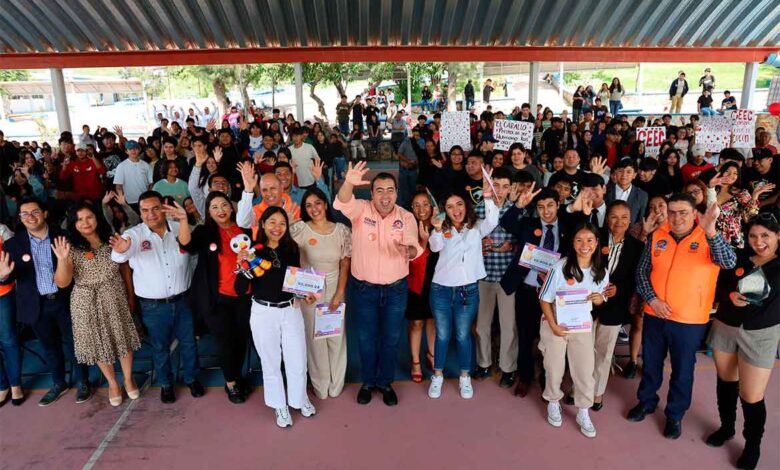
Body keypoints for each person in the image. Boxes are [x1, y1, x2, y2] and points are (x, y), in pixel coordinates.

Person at [628, 194, 737, 439]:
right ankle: (646, 402)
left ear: (694, 214)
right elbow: (642, 271)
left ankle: (674, 415)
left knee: (682, 370)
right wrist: (652, 300)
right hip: (655, 314)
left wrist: (712, 233)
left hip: (689, 320)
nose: (677, 218)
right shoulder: (658, 235)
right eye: (673, 212)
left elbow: (729, 262)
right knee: (651, 363)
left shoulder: (708, 237)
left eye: (683, 212)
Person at [333, 162, 421, 406]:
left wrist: (410, 249)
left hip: (396, 289)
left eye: (390, 190)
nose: (385, 195)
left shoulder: (406, 216)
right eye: (379, 190)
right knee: (366, 337)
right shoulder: (361, 210)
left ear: (396, 192)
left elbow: (414, 245)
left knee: (391, 338)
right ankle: (368, 381)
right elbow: (341, 202)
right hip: (364, 289)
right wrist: (349, 182)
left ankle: (385, 382)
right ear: (371, 194)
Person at [110, 191, 204, 404]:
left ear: (163, 207)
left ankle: (192, 378)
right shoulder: (134, 235)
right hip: (154, 307)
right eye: (144, 210)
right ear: (140, 212)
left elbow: (192, 248)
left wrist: (183, 220)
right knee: (160, 347)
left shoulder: (180, 228)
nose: (150, 214)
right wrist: (121, 250)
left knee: (189, 343)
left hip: (183, 300)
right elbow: (120, 253)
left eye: (155, 208)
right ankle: (166, 384)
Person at [0, 198, 92, 406]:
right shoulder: (14, 244)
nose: (30, 217)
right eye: (24, 214)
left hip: (64, 301)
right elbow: (8, 273)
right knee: (49, 347)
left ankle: (83, 381)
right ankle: (59, 383)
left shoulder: (63, 236)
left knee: (74, 344)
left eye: (35, 212)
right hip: (35, 305)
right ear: (20, 218)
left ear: (45, 214)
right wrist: (4, 277)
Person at [706, 214, 779, 470]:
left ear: (778, 236)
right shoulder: (737, 257)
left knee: (751, 395)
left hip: (760, 335)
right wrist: (730, 295)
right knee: (726, 382)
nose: (758, 241)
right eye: (753, 236)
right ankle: (726, 428)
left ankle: (752, 446)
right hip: (726, 326)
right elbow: (716, 287)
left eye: (765, 236)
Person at [235, 207, 317, 428]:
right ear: (262, 224)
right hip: (264, 313)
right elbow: (240, 287)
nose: (277, 228)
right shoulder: (252, 251)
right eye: (272, 222)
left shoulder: (291, 248)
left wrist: (304, 294)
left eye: (282, 223)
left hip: (290, 310)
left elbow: (295, 280)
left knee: (297, 358)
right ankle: (279, 405)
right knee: (270, 361)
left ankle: (299, 398)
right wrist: (241, 263)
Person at [52, 202, 140, 407]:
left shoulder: (110, 239)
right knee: (97, 343)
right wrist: (63, 260)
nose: (85, 223)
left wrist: (130, 295)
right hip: (85, 301)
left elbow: (125, 268)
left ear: (97, 217)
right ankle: (112, 383)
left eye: (89, 217)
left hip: (114, 295)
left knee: (123, 337)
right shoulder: (69, 247)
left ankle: (128, 378)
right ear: (73, 224)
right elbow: (62, 283)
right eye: (79, 219)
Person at [176, 191, 252, 404]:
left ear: (232, 207)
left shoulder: (245, 229)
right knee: (225, 341)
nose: (221, 210)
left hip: (244, 297)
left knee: (240, 340)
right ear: (208, 212)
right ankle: (230, 383)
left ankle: (236, 375)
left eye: (224, 205)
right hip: (217, 300)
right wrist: (183, 220)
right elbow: (186, 246)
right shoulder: (205, 232)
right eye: (215, 207)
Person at [427, 177, 498, 399]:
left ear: (466, 205)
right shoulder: (441, 228)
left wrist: (487, 196)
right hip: (441, 290)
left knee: (463, 334)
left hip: (468, 290)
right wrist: (437, 229)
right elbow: (435, 246)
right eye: (449, 207)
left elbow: (493, 218)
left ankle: (464, 376)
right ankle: (437, 375)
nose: (455, 210)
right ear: (444, 210)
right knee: (443, 334)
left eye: (459, 205)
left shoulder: (477, 228)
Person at [500, 186, 573, 397]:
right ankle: (525, 377)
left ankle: (547, 378)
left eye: (550, 205)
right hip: (528, 290)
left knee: (551, 340)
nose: (546, 211)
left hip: (555, 296)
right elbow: (507, 222)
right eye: (541, 207)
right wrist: (519, 205)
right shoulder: (528, 225)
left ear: (558, 205)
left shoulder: (568, 227)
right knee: (525, 335)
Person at [538, 223, 608, 438]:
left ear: (596, 243)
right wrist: (553, 325)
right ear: (572, 243)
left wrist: (600, 299)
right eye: (579, 240)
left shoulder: (601, 271)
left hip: (582, 326)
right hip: (556, 322)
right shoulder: (560, 267)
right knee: (554, 367)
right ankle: (553, 401)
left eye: (589, 240)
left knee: (584, 370)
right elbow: (544, 298)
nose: (584, 245)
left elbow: (599, 298)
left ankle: (583, 411)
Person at [290, 188, 351, 399]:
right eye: (308, 205)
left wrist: (339, 292)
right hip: (310, 289)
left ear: (325, 204)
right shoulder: (300, 229)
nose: (314, 208)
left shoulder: (341, 230)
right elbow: (288, 254)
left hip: (335, 286)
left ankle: (336, 383)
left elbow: (345, 261)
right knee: (315, 338)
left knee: (335, 336)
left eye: (318, 203)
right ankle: (320, 385)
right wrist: (298, 288)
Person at [590, 201, 644, 410]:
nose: (619, 222)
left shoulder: (637, 247)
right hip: (588, 304)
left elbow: (636, 279)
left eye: (624, 217)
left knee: (604, 354)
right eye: (614, 216)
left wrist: (619, 289)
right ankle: (579, 389)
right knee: (583, 351)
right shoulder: (594, 239)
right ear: (607, 219)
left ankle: (597, 393)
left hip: (614, 308)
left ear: (630, 220)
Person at [473, 168, 518, 387]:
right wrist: (477, 246)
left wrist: (513, 246)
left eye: (504, 186)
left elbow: (527, 241)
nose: (500, 190)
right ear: (489, 186)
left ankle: (508, 368)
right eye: (496, 185)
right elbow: (468, 240)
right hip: (484, 275)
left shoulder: (517, 210)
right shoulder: (479, 208)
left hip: (507, 278)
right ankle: (483, 364)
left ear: (511, 189)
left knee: (508, 325)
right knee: (482, 324)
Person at [406, 191, 438, 383]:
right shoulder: (407, 228)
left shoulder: (440, 227)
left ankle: (431, 354)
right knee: (416, 322)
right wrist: (423, 241)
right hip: (414, 282)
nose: (421, 209)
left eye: (425, 204)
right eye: (416, 205)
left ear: (432, 207)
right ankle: (416, 361)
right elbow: (413, 258)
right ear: (411, 208)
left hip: (436, 282)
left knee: (432, 320)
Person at [0, 222, 23, 406]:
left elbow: (16, 260)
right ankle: (2, 386)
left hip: (2, 291)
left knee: (8, 339)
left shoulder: (2, 230)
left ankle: (16, 384)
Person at [113, 140, 152, 212]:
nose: (133, 151)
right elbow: (118, 186)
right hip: (129, 201)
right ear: (126, 151)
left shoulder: (146, 165)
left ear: (139, 150)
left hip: (144, 200)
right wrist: (122, 200)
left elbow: (151, 183)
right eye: (130, 149)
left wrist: (148, 197)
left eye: (135, 148)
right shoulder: (121, 166)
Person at [606, 159, 649, 225]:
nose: (624, 175)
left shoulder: (642, 195)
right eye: (620, 171)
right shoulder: (605, 191)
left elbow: (641, 220)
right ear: (615, 173)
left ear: (634, 175)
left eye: (628, 172)